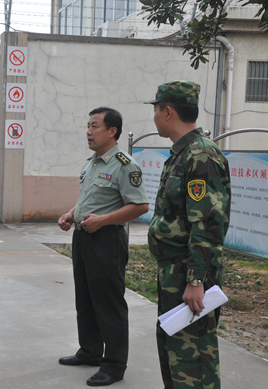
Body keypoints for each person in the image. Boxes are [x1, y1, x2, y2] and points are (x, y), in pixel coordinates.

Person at [145, 81, 231, 389]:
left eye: (155, 109)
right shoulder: (183, 154)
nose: (154, 116)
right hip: (175, 271)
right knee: (174, 353)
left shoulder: (201, 155)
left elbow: (208, 223)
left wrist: (196, 280)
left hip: (189, 273)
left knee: (193, 361)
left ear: (167, 111)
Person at [57, 107, 149, 386]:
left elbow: (140, 206)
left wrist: (104, 220)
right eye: (88, 125)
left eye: (95, 126)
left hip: (107, 240)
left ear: (112, 131)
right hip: (83, 237)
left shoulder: (125, 165)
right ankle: (90, 351)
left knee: (109, 303)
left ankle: (114, 364)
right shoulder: (92, 163)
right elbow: (89, 197)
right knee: (85, 299)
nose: (88, 131)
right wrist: (71, 213)